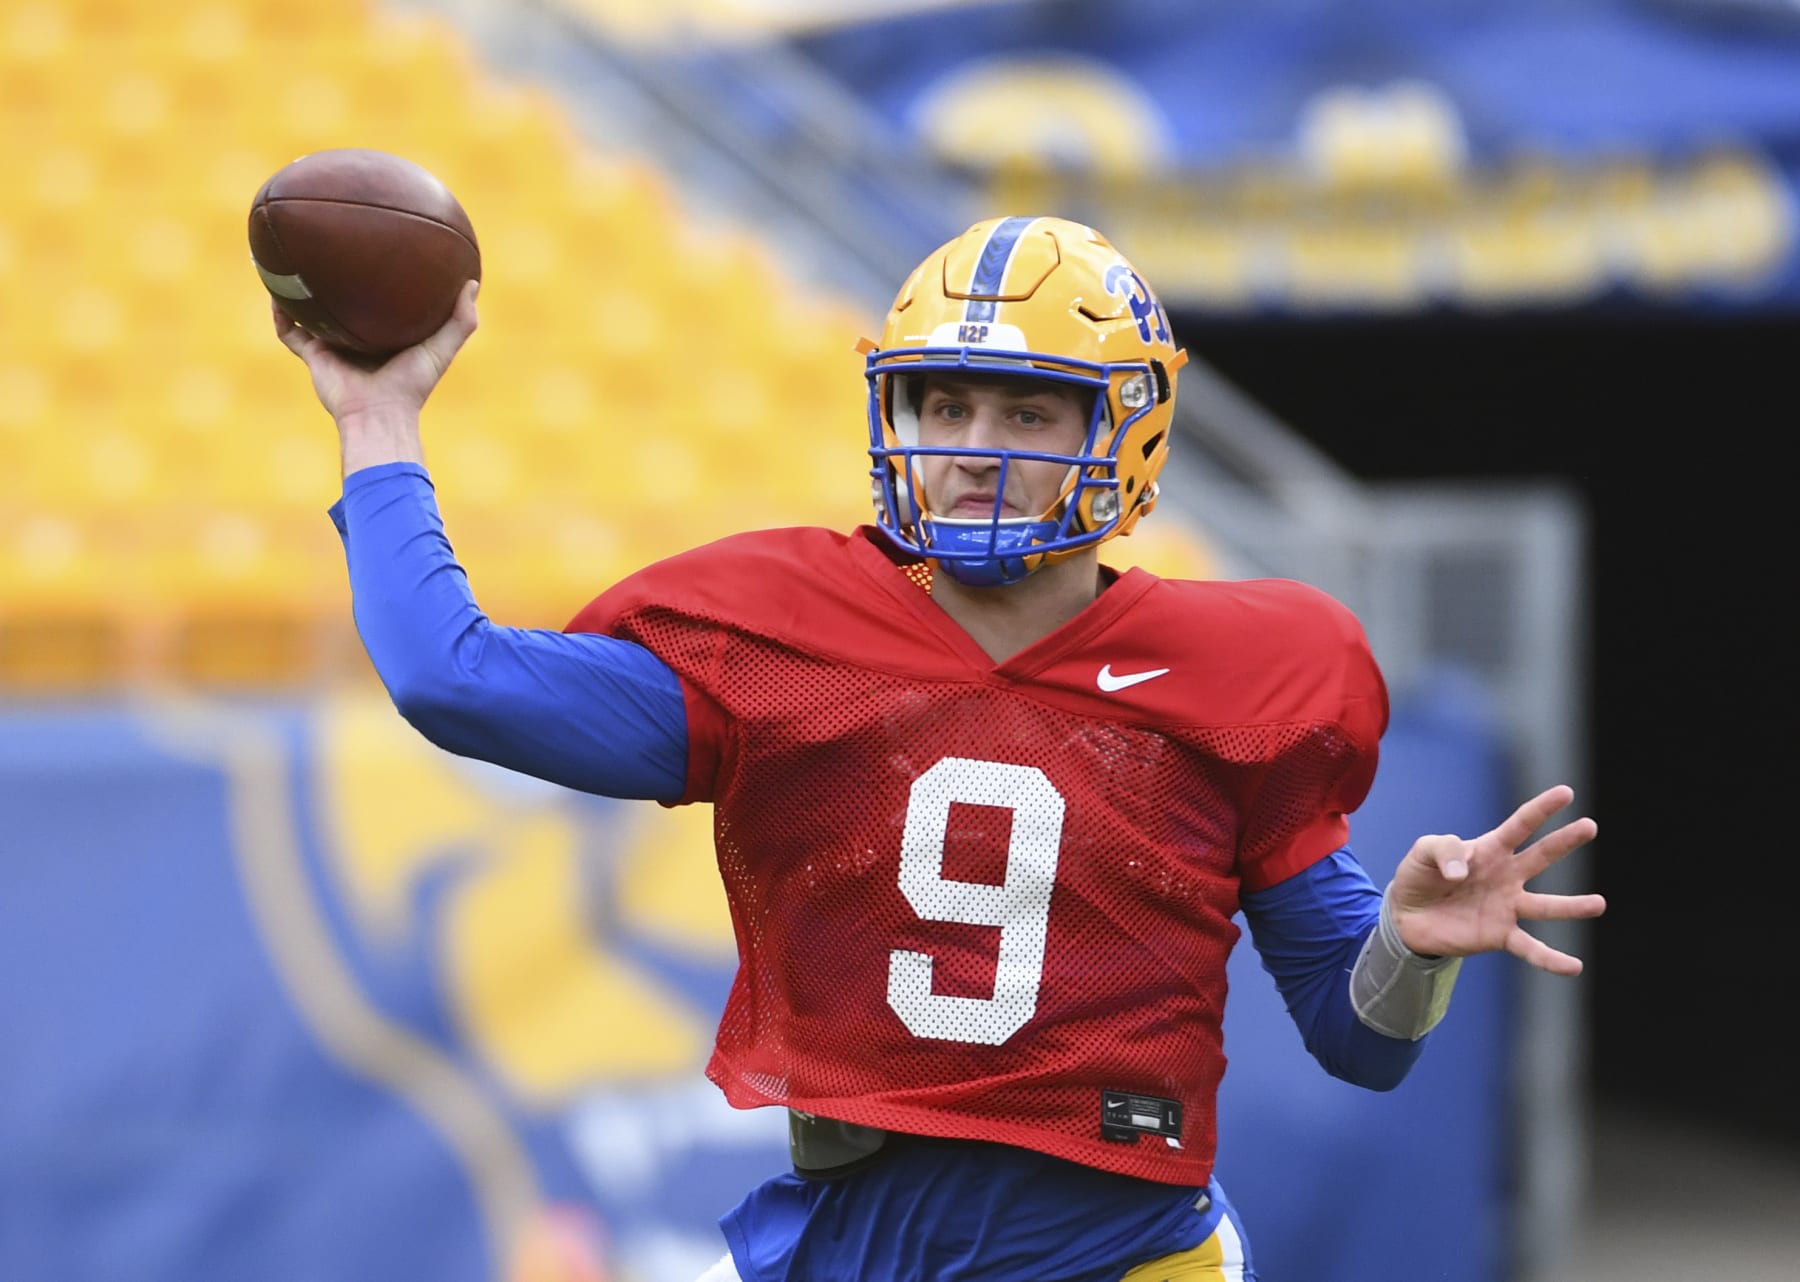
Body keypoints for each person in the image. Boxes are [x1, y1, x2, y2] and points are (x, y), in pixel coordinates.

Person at [276, 214, 1605, 1282]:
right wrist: (377, 423)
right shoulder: (783, 633)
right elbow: (453, 681)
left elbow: (1359, 1036)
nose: (975, 450)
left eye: (1029, 412)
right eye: (943, 403)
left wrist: (1410, 952)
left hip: (1117, 1254)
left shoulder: (1241, 672)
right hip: (858, 1241)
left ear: (1124, 431)